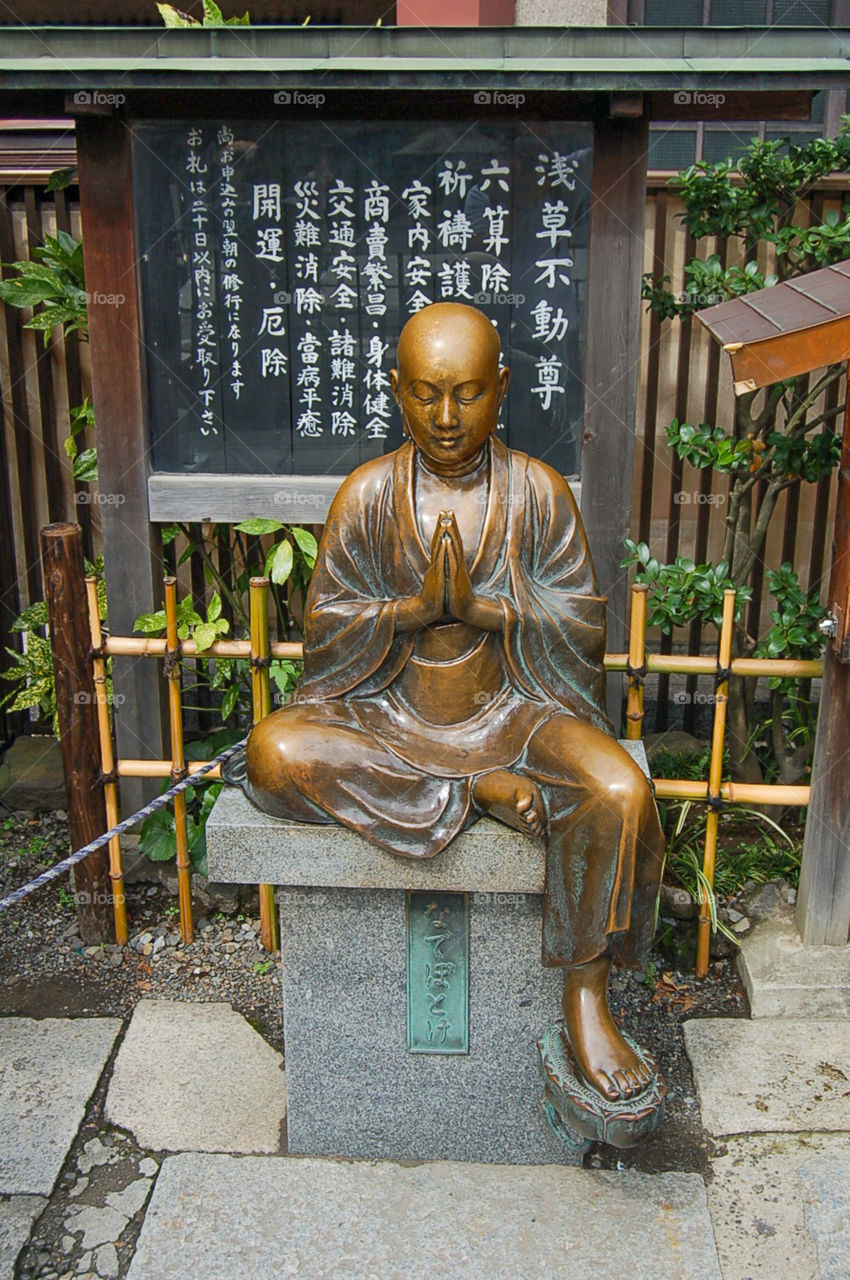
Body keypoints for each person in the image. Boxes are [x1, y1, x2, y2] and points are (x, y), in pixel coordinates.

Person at [226, 301, 665, 1103]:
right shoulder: (366, 495)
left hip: (518, 713)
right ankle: (472, 795)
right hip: (391, 718)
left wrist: (490, 608)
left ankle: (586, 994)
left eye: (467, 393)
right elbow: (324, 638)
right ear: (396, 391)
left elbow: (581, 627)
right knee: (274, 751)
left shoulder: (537, 493)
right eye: (426, 393)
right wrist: (412, 612)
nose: (447, 416)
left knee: (618, 790)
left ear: (503, 388)